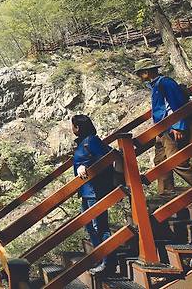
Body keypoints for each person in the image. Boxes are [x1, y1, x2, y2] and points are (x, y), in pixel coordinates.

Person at [133, 58, 192, 196]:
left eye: (139, 73)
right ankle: (166, 192)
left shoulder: (166, 83)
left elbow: (177, 104)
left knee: (176, 162)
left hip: (171, 128)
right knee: (160, 161)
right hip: (162, 130)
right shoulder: (156, 85)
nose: (138, 77)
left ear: (146, 72)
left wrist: (178, 126)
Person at [72, 114, 116, 275]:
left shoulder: (91, 141)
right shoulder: (82, 143)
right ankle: (100, 257)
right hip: (86, 191)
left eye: (74, 126)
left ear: (78, 127)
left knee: (100, 226)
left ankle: (108, 261)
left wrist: (85, 166)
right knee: (90, 226)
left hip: (95, 191)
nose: (72, 129)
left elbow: (105, 158)